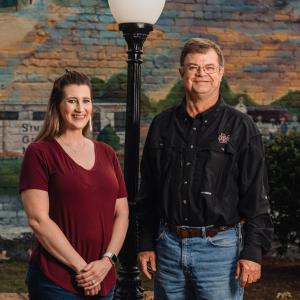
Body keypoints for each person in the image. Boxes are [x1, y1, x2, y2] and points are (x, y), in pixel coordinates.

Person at [137, 38, 273, 300]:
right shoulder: (162, 125)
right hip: (168, 248)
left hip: (221, 252)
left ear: (221, 72)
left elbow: (257, 197)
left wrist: (253, 253)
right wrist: (145, 243)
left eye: (209, 68)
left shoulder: (241, 127)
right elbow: (148, 193)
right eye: (193, 67)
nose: (201, 74)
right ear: (181, 73)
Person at [19, 70, 129, 300]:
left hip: (104, 279)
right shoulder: (40, 152)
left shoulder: (106, 153)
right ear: (58, 106)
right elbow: (38, 220)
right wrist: (83, 269)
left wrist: (107, 262)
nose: (80, 108)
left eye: (86, 101)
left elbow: (122, 213)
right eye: (72, 101)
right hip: (57, 282)